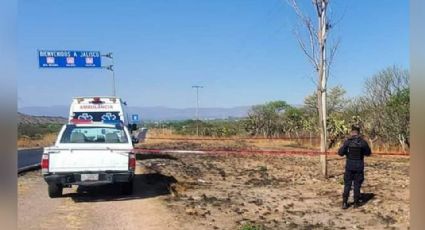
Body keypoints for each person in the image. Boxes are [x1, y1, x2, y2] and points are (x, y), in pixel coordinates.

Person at [338, 125, 372, 209]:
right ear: (358, 133)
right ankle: (356, 203)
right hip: (359, 167)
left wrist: (346, 150)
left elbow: (340, 153)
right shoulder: (363, 142)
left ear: (351, 132)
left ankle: (345, 203)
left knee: (347, 185)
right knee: (357, 185)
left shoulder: (348, 142)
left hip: (349, 167)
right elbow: (368, 153)